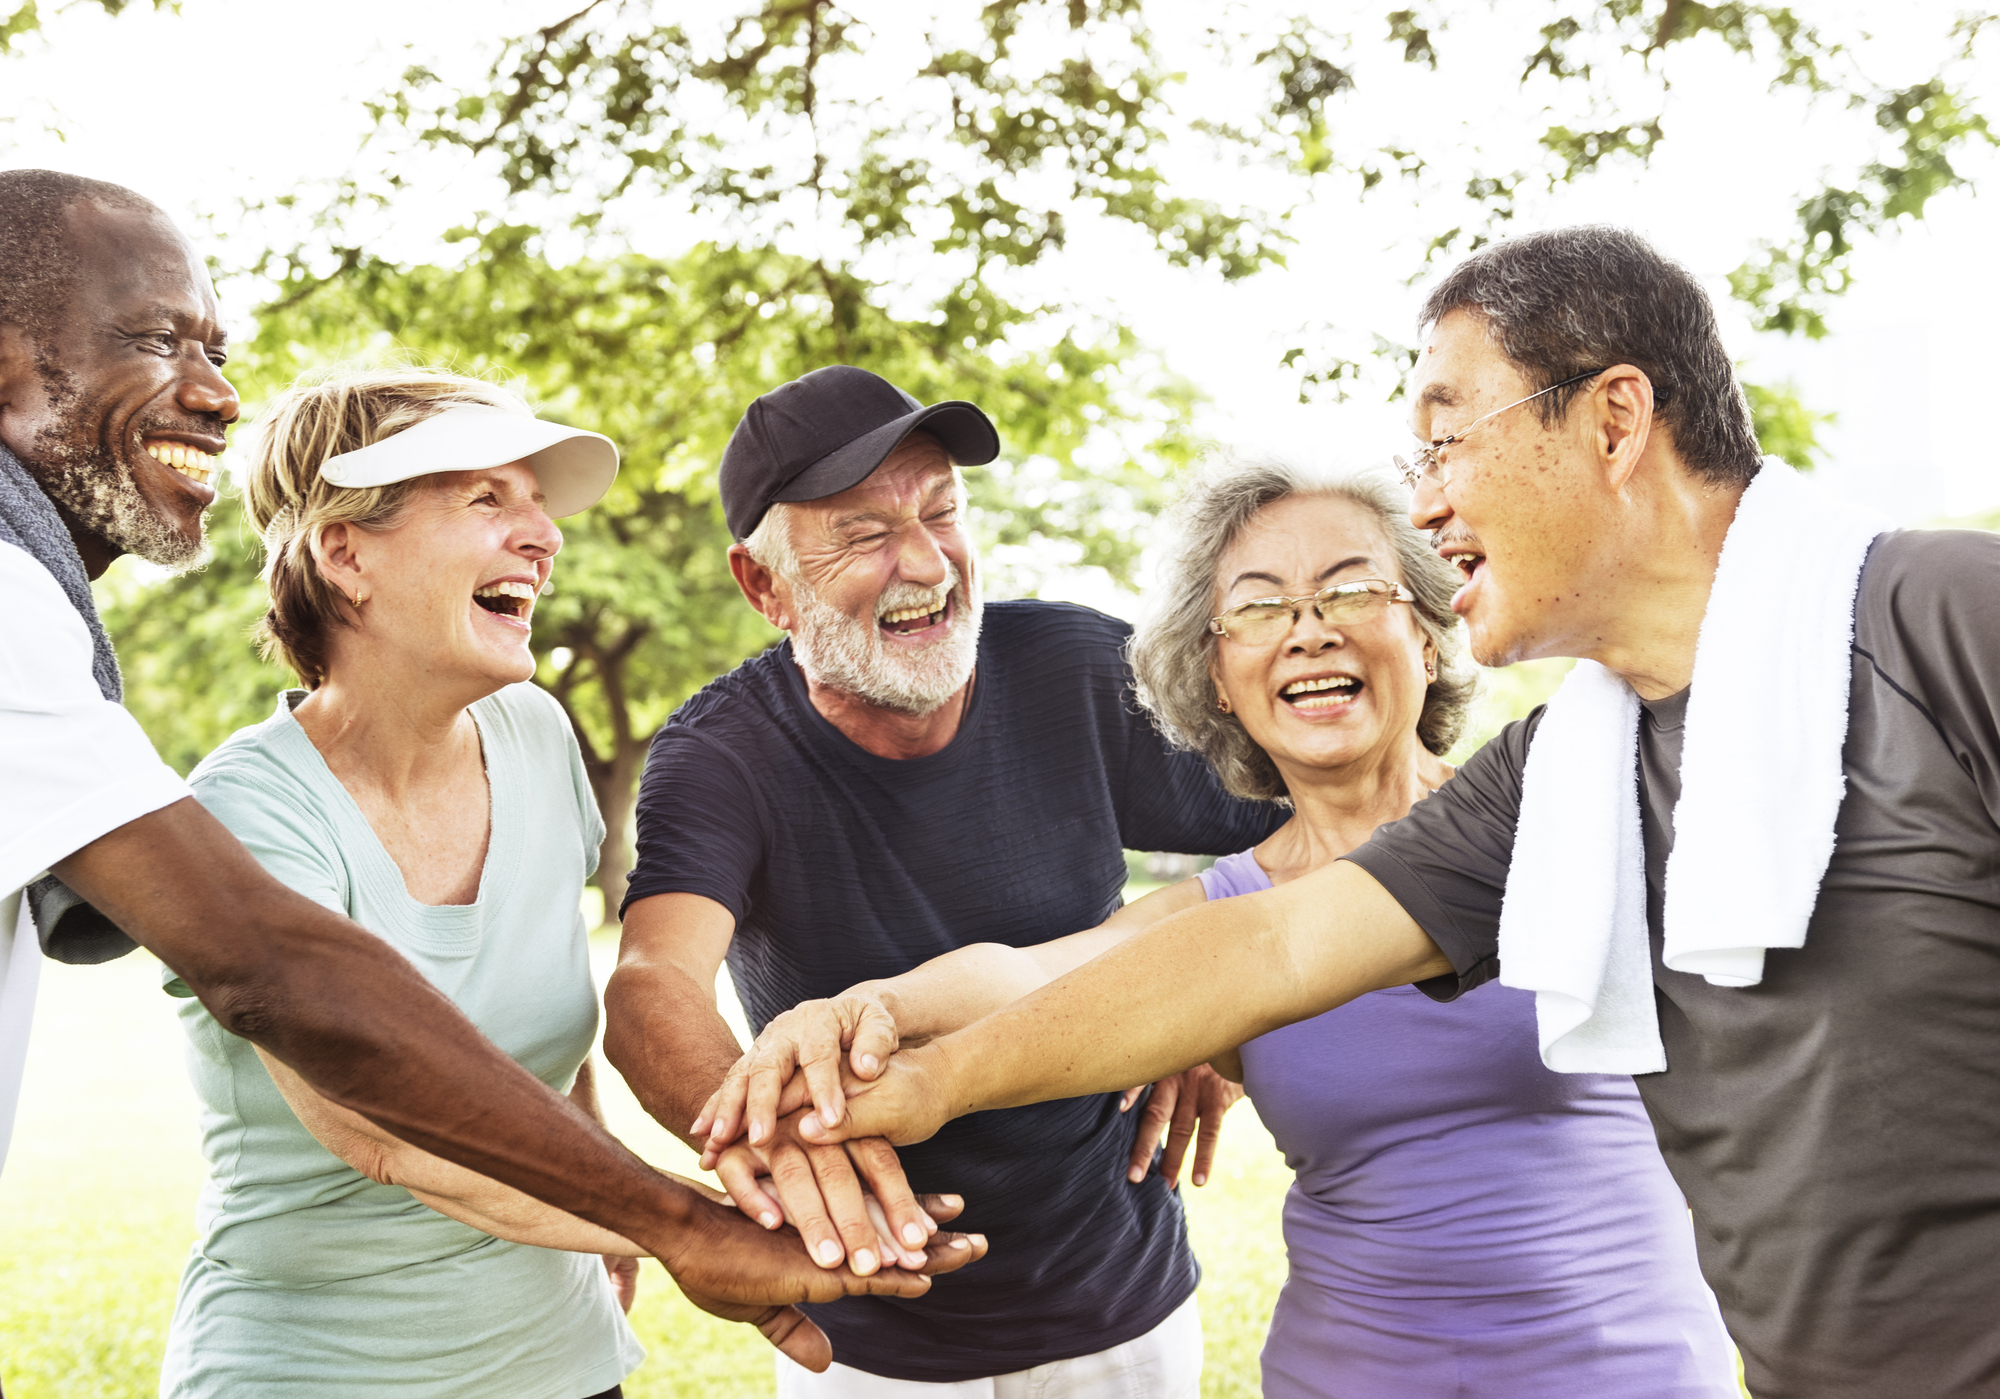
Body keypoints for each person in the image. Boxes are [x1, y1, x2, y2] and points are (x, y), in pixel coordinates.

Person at [794, 227, 2000, 1399]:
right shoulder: (1564, 777)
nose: (1425, 509)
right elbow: (1265, 944)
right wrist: (914, 1065)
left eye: (1443, 443)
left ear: (1614, 421)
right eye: (1259, 608)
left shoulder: (1941, 621)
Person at [0, 170, 975, 1374]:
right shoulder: (247, 807)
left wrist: (609, 1196)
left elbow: (547, 1044)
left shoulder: (535, 735)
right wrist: (681, 1224)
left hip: (568, 1353)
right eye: (485, 498)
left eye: (537, 501)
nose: (544, 532)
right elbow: (386, 1136)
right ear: (346, 555)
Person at [702, 457, 1737, 1396]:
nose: (1308, 627)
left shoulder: (1562, 816)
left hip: (1625, 1370)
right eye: (1260, 608)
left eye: (1348, 589)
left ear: (1424, 630)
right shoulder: (1225, 914)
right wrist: (855, 1009)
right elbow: (1021, 977)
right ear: (1219, 681)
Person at [605, 365, 1281, 1396]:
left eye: (940, 511)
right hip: (871, 1332)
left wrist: (1217, 1012)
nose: (923, 561)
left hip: (1118, 1305)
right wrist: (786, 1147)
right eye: (864, 534)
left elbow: (1322, 822)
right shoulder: (721, 752)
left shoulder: (1077, 667)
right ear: (763, 587)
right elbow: (652, 981)